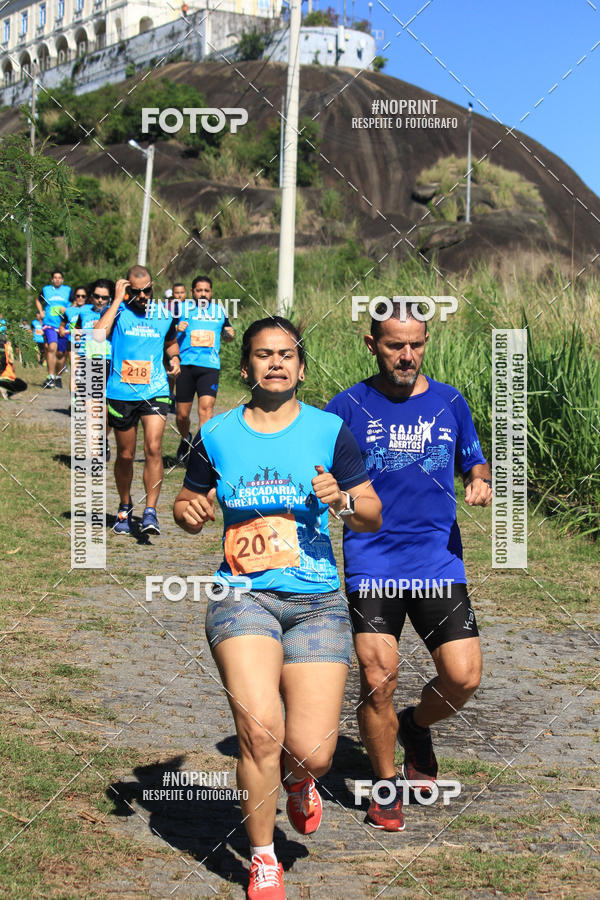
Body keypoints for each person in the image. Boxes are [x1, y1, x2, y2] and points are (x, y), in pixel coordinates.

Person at [173, 317, 381, 900]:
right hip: (242, 597)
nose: (275, 363)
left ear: (301, 367)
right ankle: (263, 857)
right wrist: (188, 511)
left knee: (314, 751)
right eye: (263, 355)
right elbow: (188, 500)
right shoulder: (216, 435)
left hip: (316, 601)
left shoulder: (330, 431)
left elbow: (371, 513)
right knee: (260, 731)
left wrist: (342, 498)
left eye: (286, 354)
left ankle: (298, 781)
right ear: (246, 368)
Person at [325, 301, 492, 832]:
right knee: (379, 679)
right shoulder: (347, 406)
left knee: (463, 678)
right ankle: (384, 783)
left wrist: (479, 479)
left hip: (437, 562)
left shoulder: (450, 402)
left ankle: (415, 727)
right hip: (372, 562)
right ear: (372, 344)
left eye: (416, 344)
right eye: (395, 344)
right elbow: (321, 475)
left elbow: (473, 456)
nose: (407, 355)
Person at [97, 265, 180, 536]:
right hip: (121, 393)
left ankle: (151, 511)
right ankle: (124, 506)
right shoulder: (117, 312)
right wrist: (118, 300)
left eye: (147, 291)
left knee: (154, 448)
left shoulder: (164, 315)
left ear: (153, 287)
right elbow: (97, 336)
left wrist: (175, 358)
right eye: (137, 292)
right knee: (125, 454)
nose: (143, 296)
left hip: (155, 389)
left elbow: (170, 342)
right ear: (127, 289)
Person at [174, 275, 234, 464]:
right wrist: (176, 327)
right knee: (182, 414)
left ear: (211, 293)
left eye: (206, 291)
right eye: (199, 290)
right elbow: (167, 335)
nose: (203, 294)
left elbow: (227, 335)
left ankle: (200, 452)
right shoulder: (181, 309)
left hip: (209, 366)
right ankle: (185, 439)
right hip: (185, 365)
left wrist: (229, 335)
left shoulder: (219, 311)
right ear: (192, 292)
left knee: (206, 410)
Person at [71, 279, 114, 460]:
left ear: (110, 298)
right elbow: (76, 339)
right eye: (96, 296)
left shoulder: (115, 313)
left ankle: (102, 438)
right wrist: (75, 367)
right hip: (89, 363)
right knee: (91, 410)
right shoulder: (83, 313)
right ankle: (94, 458)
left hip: (111, 364)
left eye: (104, 297)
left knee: (108, 412)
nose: (100, 300)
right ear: (91, 296)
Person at [36, 269, 72, 389]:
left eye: (59, 277)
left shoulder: (68, 290)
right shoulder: (46, 290)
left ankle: (58, 377)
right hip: (49, 323)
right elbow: (38, 300)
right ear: (52, 279)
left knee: (61, 353)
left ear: (62, 279)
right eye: (55, 277)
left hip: (63, 324)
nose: (57, 279)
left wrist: (68, 310)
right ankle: (50, 376)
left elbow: (75, 303)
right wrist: (41, 311)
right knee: (52, 347)